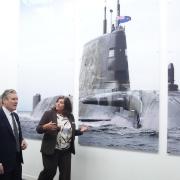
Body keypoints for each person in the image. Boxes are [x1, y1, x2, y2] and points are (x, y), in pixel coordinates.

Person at [36, 96, 88, 180]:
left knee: (65, 175)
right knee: (49, 172)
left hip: (66, 151)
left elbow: (70, 132)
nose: (58, 104)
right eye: (57, 102)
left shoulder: (70, 116)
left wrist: (81, 131)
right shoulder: (48, 114)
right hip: (51, 150)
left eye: (61, 102)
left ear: (66, 105)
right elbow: (38, 129)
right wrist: (45, 127)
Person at [0, 89, 27, 180]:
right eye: (13, 99)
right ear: (4, 101)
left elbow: (17, 134)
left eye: (17, 99)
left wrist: (22, 140)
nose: (16, 101)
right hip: (3, 163)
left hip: (17, 161)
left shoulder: (15, 116)